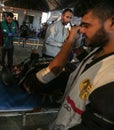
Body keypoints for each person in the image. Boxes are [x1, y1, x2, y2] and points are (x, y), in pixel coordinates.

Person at [24, 0, 114, 130]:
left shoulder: (110, 80)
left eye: (87, 26)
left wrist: (69, 41)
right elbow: (85, 58)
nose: (81, 30)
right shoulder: (99, 50)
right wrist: (73, 43)